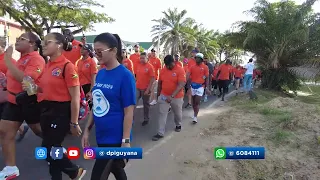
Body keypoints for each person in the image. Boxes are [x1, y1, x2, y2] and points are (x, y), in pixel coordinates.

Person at [82, 32, 136, 180]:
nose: (96, 54)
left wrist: (125, 141)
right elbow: (97, 105)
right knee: (116, 169)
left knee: (98, 175)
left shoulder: (125, 76)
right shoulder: (101, 74)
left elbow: (129, 111)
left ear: (113, 50)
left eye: (100, 51)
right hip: (101, 134)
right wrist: (87, 129)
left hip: (115, 138)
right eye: (95, 51)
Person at [32, 32, 85, 180]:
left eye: (48, 42)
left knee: (48, 149)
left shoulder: (67, 66)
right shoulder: (47, 65)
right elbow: (44, 89)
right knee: (52, 151)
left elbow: (75, 97)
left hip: (61, 112)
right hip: (46, 110)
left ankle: (74, 171)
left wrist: (74, 123)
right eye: (43, 42)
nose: (43, 44)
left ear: (59, 45)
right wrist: (31, 87)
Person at [0, 32, 45, 179]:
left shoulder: (36, 59)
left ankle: (57, 149)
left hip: (29, 102)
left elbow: (26, 80)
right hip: (13, 103)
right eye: (18, 39)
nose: (17, 41)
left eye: (22, 39)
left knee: (39, 130)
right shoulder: (21, 59)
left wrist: (7, 59)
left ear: (32, 44)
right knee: (5, 132)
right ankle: (11, 168)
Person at [152, 55, 186, 141]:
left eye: (169, 65)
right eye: (166, 65)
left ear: (173, 62)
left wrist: (172, 96)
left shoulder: (180, 70)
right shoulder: (163, 70)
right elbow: (160, 83)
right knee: (162, 114)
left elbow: (181, 84)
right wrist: (158, 96)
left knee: (177, 114)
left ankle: (178, 124)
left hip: (176, 97)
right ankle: (160, 132)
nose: (167, 67)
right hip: (164, 95)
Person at [186, 53, 210, 124]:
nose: (197, 59)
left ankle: (195, 117)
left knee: (197, 102)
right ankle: (194, 113)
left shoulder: (205, 67)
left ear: (201, 59)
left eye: (199, 58)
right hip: (193, 86)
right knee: (193, 103)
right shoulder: (192, 67)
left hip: (200, 86)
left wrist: (207, 87)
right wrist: (184, 83)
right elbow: (187, 75)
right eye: (196, 58)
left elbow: (207, 77)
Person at [135, 52, 155, 126]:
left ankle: (146, 119)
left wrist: (148, 89)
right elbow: (137, 76)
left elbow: (152, 79)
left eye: (143, 58)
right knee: (133, 102)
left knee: (145, 104)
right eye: (141, 58)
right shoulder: (139, 65)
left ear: (147, 58)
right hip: (137, 87)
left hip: (145, 89)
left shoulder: (150, 67)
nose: (142, 59)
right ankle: (131, 118)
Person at [77, 44, 97, 109]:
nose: (81, 50)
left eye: (84, 49)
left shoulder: (92, 62)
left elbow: (93, 78)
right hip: (80, 87)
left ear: (88, 51)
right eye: (81, 48)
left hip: (88, 86)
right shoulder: (79, 62)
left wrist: (91, 91)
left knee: (92, 106)